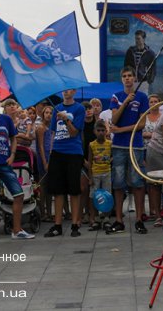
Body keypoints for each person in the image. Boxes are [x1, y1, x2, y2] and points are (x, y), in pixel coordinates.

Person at [0, 92, 35, 241]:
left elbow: (13, 138)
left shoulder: (7, 120)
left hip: (4, 162)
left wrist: (13, 155)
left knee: (18, 194)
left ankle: (17, 230)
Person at [108, 66, 150, 234]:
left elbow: (141, 124)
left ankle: (139, 219)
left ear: (134, 78)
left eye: (130, 76)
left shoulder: (142, 97)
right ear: (122, 79)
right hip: (118, 147)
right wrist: (125, 102)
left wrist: (121, 130)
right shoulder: (116, 97)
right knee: (118, 184)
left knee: (138, 183)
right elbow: (114, 119)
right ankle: (119, 220)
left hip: (136, 145)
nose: (127, 78)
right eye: (124, 76)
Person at [44, 89, 86, 238]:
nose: (66, 92)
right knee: (58, 190)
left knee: (74, 189)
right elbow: (53, 133)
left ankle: (75, 224)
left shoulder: (79, 108)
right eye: (64, 90)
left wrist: (67, 119)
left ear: (74, 92)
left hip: (73, 152)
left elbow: (75, 132)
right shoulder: (57, 108)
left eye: (69, 90)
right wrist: (50, 155)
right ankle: (57, 225)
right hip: (58, 151)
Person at [87, 120, 112, 231]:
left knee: (107, 195)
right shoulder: (92, 145)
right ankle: (96, 218)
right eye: (99, 130)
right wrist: (90, 177)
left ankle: (106, 218)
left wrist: (108, 160)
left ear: (106, 131)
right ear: (94, 131)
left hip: (107, 172)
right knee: (94, 196)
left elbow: (114, 156)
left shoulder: (109, 144)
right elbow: (89, 161)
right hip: (95, 173)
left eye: (103, 130)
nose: (101, 133)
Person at [35, 105, 54, 222]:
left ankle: (49, 212)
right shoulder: (41, 127)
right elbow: (41, 146)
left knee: (50, 186)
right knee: (43, 186)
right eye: (46, 113)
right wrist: (44, 162)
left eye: (50, 113)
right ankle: (43, 213)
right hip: (43, 157)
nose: (48, 115)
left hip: (51, 156)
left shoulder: (52, 127)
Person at [124, 30, 156, 94]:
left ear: (144, 39)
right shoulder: (130, 51)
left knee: (143, 99)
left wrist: (149, 81)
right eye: (135, 39)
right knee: (132, 101)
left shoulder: (150, 53)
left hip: (143, 82)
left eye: (138, 39)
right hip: (131, 81)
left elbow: (153, 69)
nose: (136, 41)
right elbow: (126, 66)